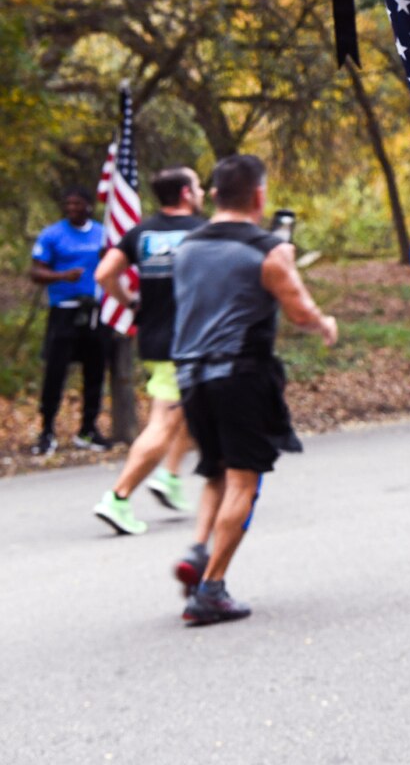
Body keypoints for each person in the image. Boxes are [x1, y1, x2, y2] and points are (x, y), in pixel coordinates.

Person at [170, 154, 338, 625]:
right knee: (244, 480)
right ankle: (211, 589)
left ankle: (200, 550)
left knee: (218, 473)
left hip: (190, 378)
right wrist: (326, 324)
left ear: (216, 194)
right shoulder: (268, 250)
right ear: (260, 197)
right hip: (240, 376)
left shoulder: (187, 246)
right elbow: (301, 312)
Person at [91, 167, 208, 535]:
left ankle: (170, 476)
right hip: (187, 341)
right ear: (187, 193)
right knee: (164, 422)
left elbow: (104, 274)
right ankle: (118, 497)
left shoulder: (141, 233)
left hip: (156, 338)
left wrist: (129, 302)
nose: (203, 192)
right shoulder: (202, 232)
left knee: (192, 412)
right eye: (199, 186)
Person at [29, 186, 110, 456]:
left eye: (77, 204)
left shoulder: (102, 233)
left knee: (95, 371)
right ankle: (47, 430)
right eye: (69, 205)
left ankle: (88, 428)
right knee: (56, 371)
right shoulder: (52, 234)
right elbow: (36, 271)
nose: (72, 209)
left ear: (88, 205)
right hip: (64, 310)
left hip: (96, 311)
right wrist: (63, 277)